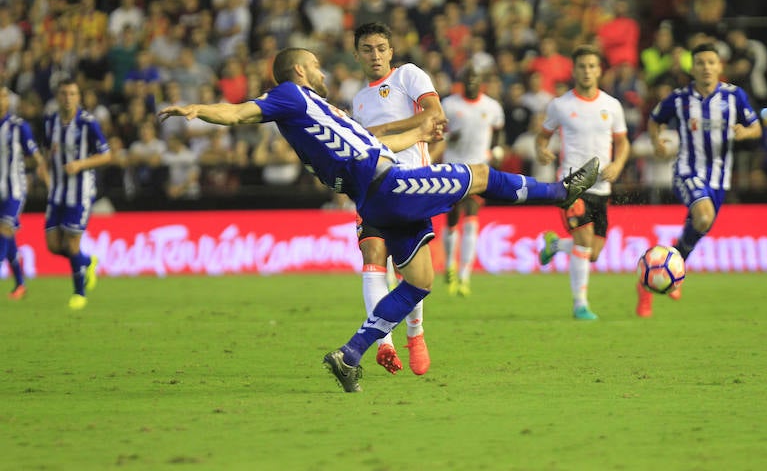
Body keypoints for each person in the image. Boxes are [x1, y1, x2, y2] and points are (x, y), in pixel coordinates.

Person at [158, 47, 600, 392]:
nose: (322, 74)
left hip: (379, 191)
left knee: (421, 280)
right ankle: (562, 192)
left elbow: (371, 145)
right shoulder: (290, 97)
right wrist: (200, 111)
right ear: (298, 73)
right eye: (315, 67)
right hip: (388, 187)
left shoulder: (321, 111)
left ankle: (351, 355)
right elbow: (238, 113)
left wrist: (419, 133)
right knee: (479, 175)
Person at [350, 21, 445, 376]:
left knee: (412, 273)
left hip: (411, 188)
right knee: (372, 257)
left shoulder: (408, 76)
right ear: (357, 54)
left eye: (380, 48)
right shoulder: (359, 100)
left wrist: (379, 132)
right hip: (372, 191)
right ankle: (383, 342)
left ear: (391, 51)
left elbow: (434, 114)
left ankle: (415, 333)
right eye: (367, 49)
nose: (374, 55)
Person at [638, 43, 761, 317]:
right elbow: (654, 119)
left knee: (701, 225)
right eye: (701, 62)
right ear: (692, 68)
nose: (706, 67)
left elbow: (756, 127)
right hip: (687, 170)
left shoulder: (734, 96)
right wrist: (657, 142)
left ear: (720, 67)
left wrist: (745, 132)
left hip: (719, 178)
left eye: (711, 62)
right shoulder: (679, 98)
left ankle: (664, 270)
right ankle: (667, 267)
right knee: (703, 216)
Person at [535, 45, 630, 320]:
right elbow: (542, 136)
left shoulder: (612, 106)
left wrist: (618, 165)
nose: (587, 71)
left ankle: (554, 246)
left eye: (592, 66)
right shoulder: (560, 105)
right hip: (571, 185)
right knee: (584, 241)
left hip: (602, 187)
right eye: (582, 66)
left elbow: (623, 143)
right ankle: (580, 305)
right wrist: (541, 149)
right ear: (574, 71)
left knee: (593, 253)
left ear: (599, 70)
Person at [44, 79, 112, 310]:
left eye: (72, 94)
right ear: (57, 96)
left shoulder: (88, 123)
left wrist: (81, 164)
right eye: (64, 93)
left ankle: (79, 293)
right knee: (53, 245)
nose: (68, 98)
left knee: (72, 243)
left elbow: (106, 155)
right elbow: (48, 152)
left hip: (80, 192)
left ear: (78, 97)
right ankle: (87, 261)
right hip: (57, 192)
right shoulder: (50, 121)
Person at [440, 65, 505, 297]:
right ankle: (449, 264)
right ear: (460, 82)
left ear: (481, 83)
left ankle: (465, 275)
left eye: (474, 79)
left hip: (479, 167)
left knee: (472, 214)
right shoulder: (449, 104)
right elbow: (437, 132)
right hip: (453, 167)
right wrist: (449, 136)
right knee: (453, 217)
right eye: (466, 79)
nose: (470, 83)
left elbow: (497, 131)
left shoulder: (492, 107)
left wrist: (496, 150)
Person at [1, 87, 49, 299]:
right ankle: (20, 283)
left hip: (15, 188)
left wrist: (48, 182)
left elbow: (36, 156)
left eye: (3, 96)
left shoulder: (18, 127)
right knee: (8, 235)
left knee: (4, 228)